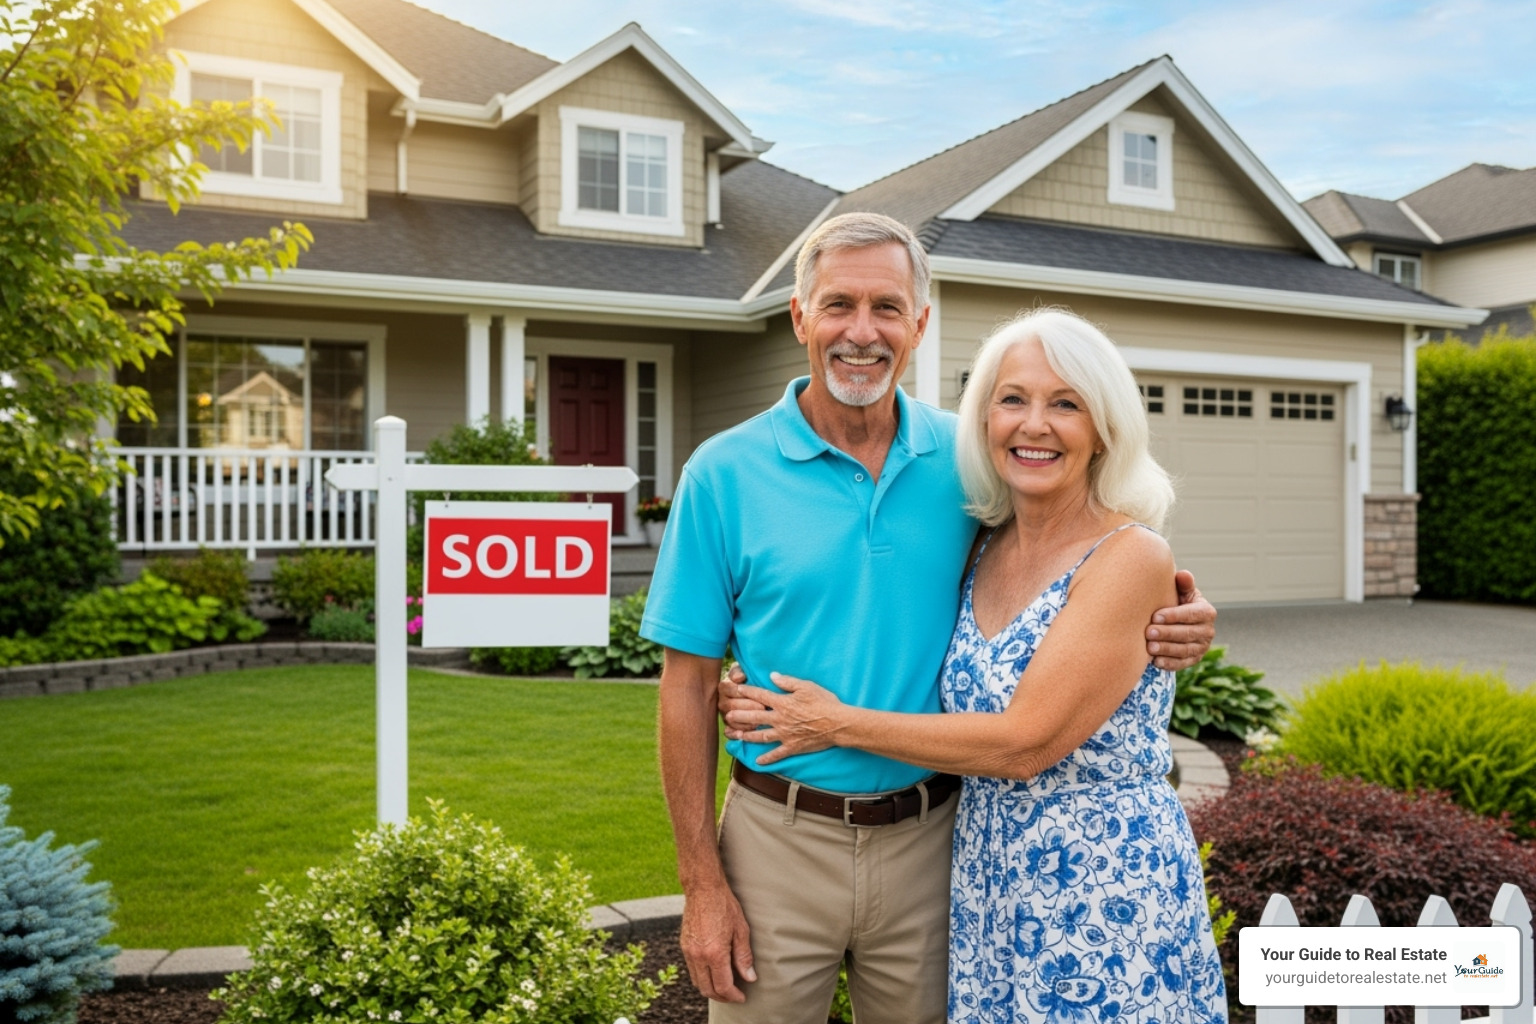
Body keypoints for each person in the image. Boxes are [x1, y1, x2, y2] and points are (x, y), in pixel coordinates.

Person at [639, 212, 1216, 1024]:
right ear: (801, 316)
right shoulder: (723, 473)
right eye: (838, 305)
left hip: (935, 843)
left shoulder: (971, 462)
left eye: (887, 308)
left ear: (920, 322)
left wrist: (1182, 607)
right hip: (777, 835)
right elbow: (685, 687)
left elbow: (1094, 551)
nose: (862, 333)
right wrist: (701, 882)